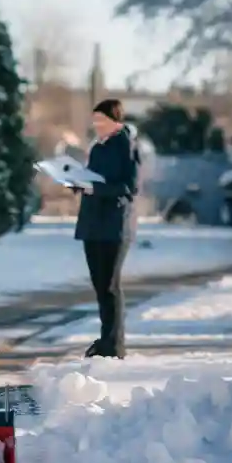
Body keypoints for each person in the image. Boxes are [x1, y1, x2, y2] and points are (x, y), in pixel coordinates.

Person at [74, 98, 140, 359]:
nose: (96, 125)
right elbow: (93, 179)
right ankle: (105, 340)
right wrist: (78, 183)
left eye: (101, 120)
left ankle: (114, 345)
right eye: (95, 120)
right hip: (92, 224)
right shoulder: (98, 147)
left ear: (115, 121)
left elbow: (129, 187)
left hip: (114, 226)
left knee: (111, 286)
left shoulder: (127, 146)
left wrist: (95, 189)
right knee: (100, 286)